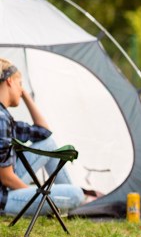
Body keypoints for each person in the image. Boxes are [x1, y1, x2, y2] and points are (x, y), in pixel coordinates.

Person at [0, 58, 84, 216]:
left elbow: (43, 132)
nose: (21, 90)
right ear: (9, 81)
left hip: (6, 188)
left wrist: (25, 96)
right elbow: (7, 178)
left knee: (49, 143)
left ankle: (68, 207)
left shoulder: (5, 117)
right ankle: (70, 206)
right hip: (3, 198)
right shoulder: (1, 118)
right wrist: (37, 196)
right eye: (20, 84)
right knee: (76, 194)